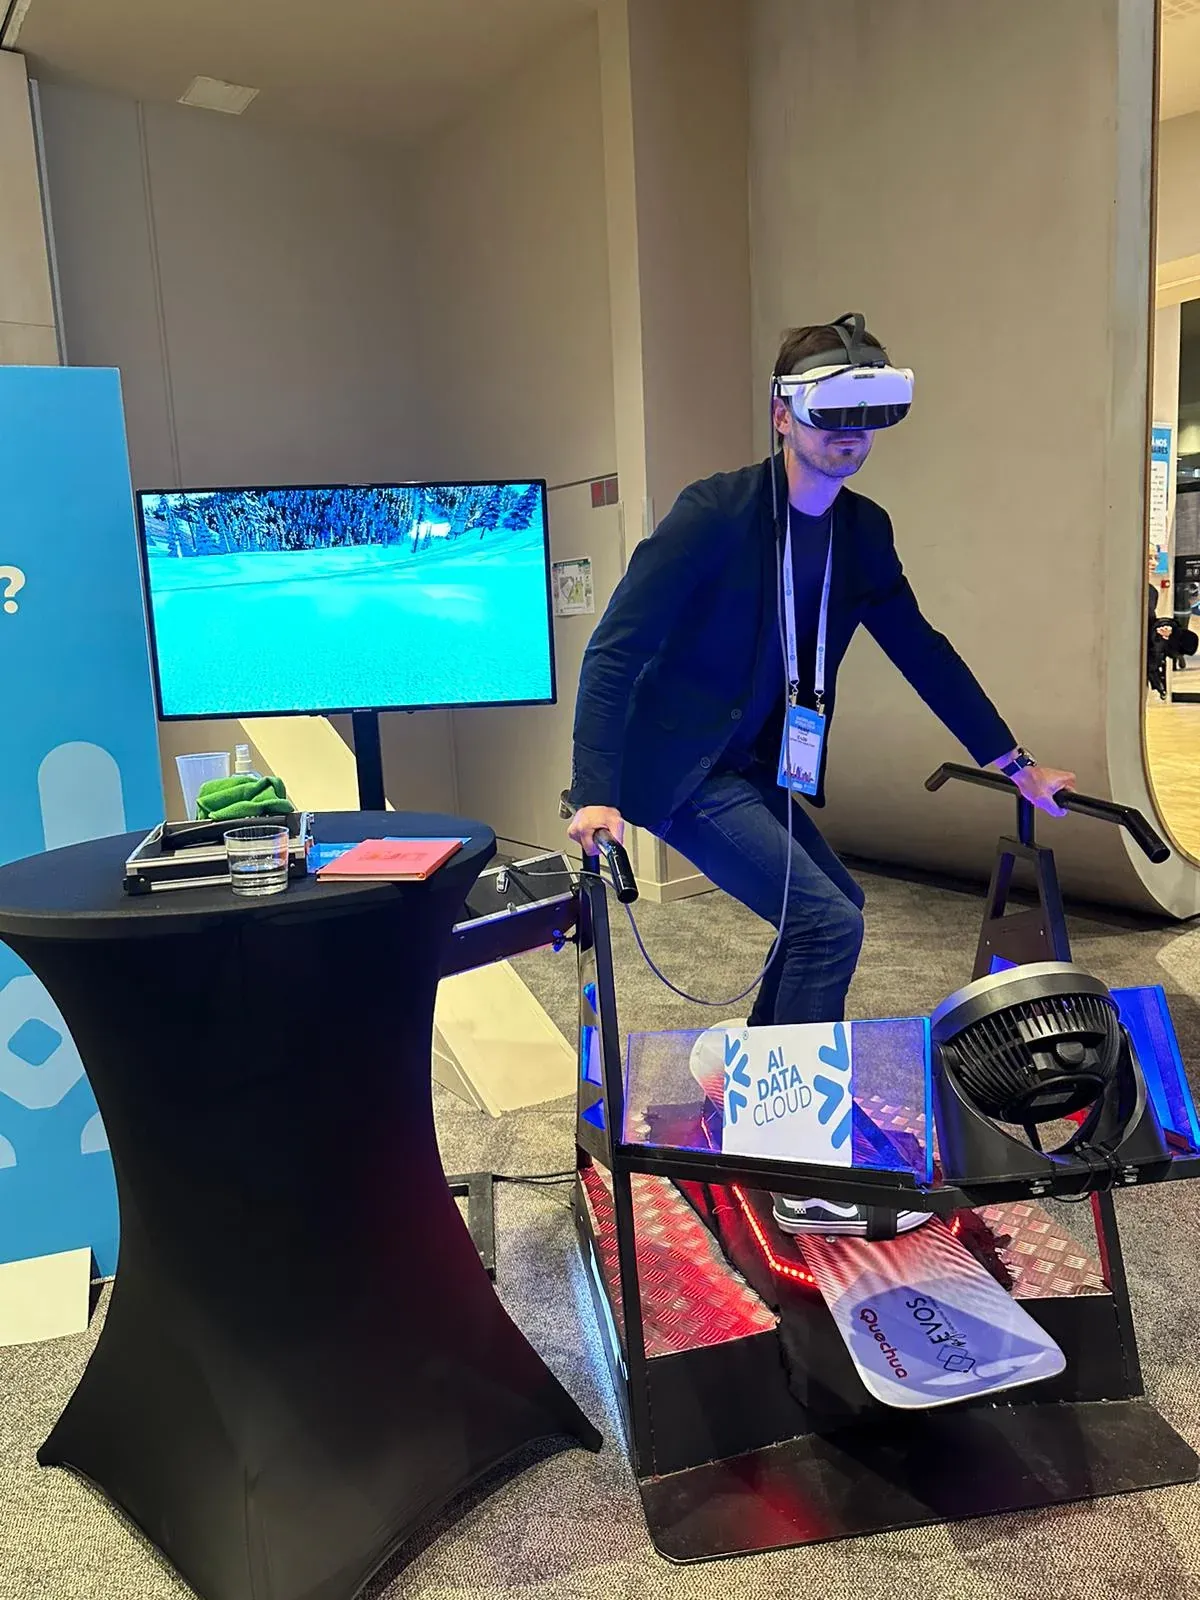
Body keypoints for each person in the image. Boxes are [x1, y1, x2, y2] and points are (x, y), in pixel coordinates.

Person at [566, 315, 1075, 1238]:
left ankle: (759, 1091)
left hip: (765, 764)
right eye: (832, 414)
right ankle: (797, 1166)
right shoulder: (714, 514)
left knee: (837, 907)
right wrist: (593, 787)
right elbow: (614, 651)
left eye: (868, 416)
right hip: (680, 768)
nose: (851, 435)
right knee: (825, 922)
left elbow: (921, 648)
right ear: (782, 415)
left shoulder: (862, 532)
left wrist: (1013, 760)